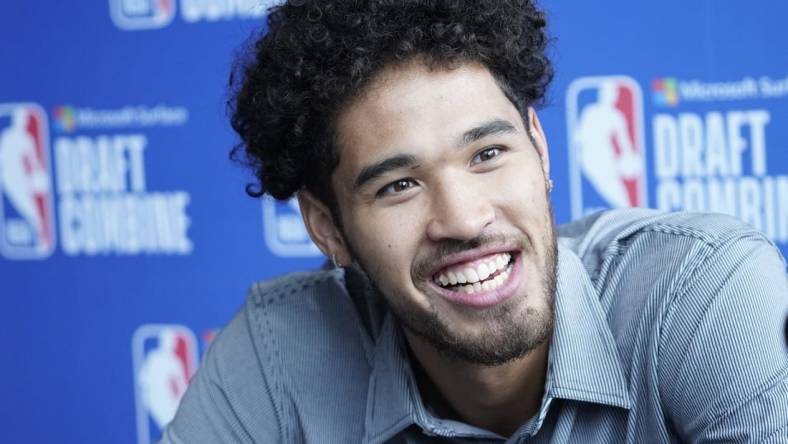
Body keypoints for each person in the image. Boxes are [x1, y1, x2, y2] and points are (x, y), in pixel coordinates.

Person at [160, 1, 788, 442]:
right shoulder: (277, 356)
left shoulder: (700, 293)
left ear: (539, 150)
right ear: (328, 229)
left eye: (487, 154)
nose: (462, 219)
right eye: (399, 185)